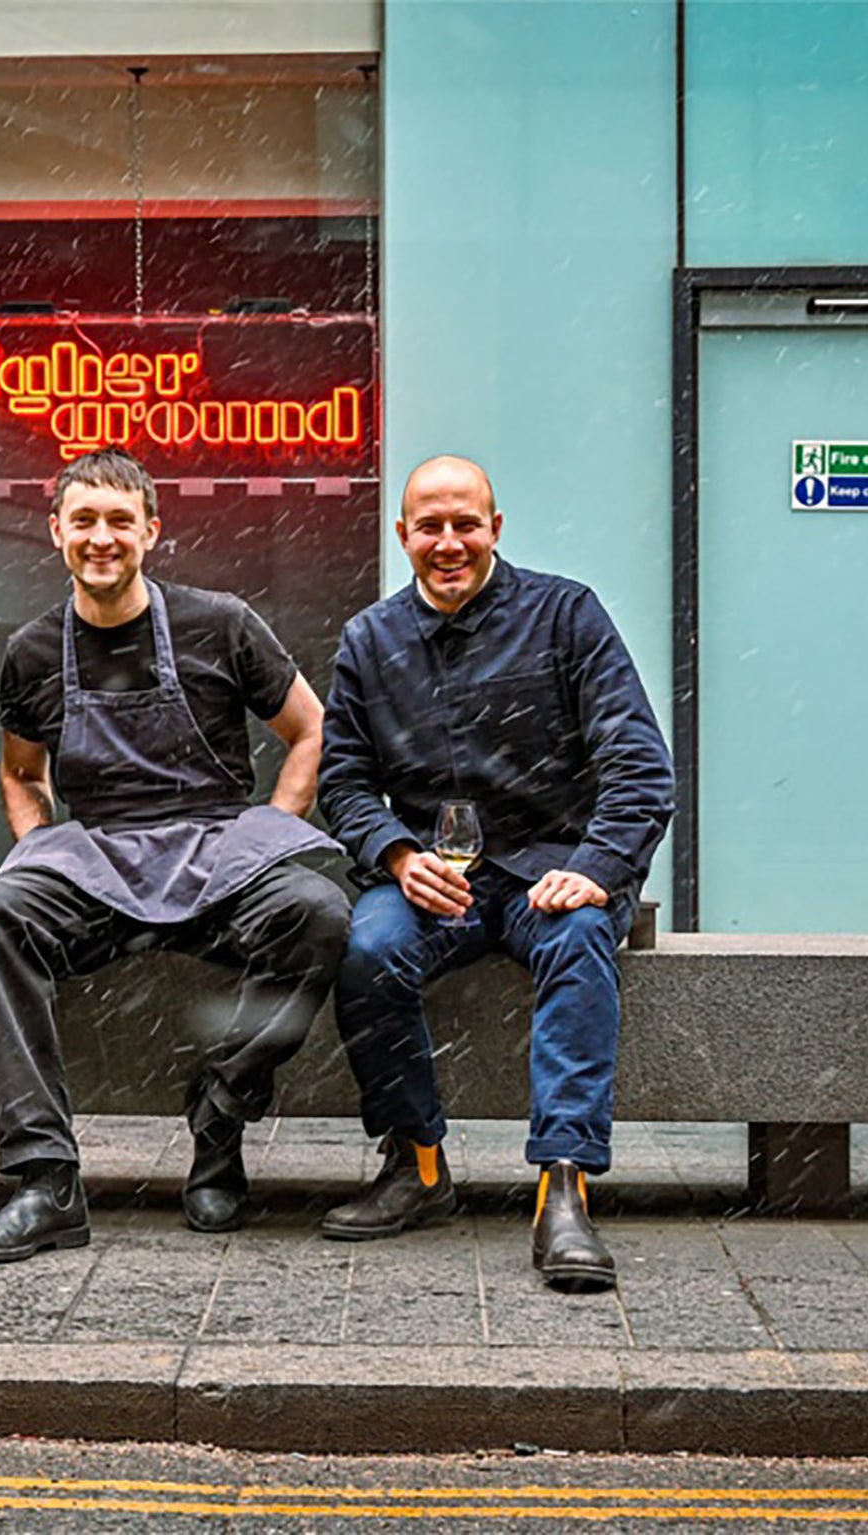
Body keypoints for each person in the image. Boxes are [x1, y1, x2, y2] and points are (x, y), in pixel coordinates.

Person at [0, 446, 350, 1264]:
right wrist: (46, 853)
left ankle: (221, 1112)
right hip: (97, 861)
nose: (103, 537)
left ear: (152, 532)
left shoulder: (223, 623)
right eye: (85, 520)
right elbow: (21, 773)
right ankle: (44, 1181)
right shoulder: (32, 650)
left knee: (320, 914)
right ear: (56, 529)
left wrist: (268, 832)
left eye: (120, 521)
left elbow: (310, 727)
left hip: (217, 851)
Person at [317, 454, 674, 1291]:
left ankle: (564, 1187)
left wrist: (596, 869)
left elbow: (640, 766)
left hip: (553, 871)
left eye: (465, 523)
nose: (449, 542)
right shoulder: (370, 641)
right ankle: (418, 1166)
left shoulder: (567, 615)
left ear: (496, 529)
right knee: (365, 951)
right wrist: (397, 856)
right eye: (430, 527)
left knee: (582, 939)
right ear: (403, 535)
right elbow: (341, 782)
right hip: (434, 879)